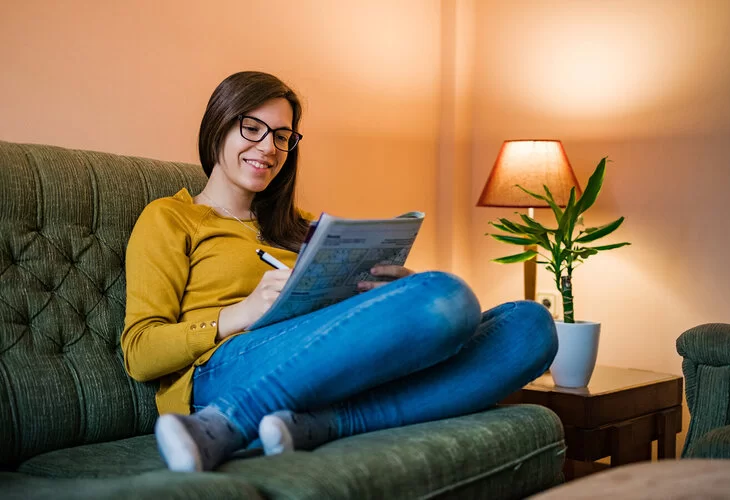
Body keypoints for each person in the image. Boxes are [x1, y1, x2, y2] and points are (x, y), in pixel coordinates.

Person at [121, 71, 558, 473]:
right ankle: (228, 421)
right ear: (218, 125)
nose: (268, 147)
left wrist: (392, 293)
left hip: (325, 364)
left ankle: (324, 423)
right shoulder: (171, 217)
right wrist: (240, 313)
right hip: (223, 372)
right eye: (251, 128)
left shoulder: (303, 228)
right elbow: (140, 352)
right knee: (452, 296)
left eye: (282, 136)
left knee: (531, 327)